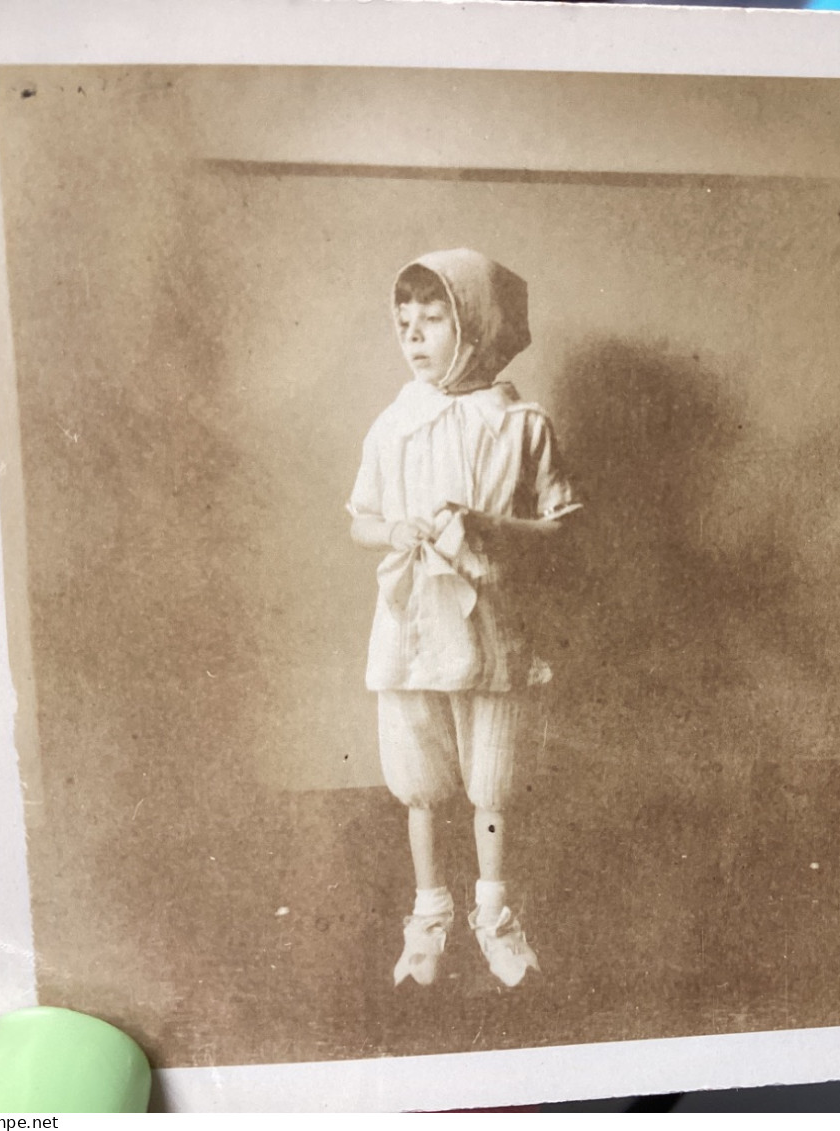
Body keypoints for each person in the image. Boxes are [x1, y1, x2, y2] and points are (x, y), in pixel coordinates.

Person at [346, 249, 578, 990]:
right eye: (403, 323)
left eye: (433, 321)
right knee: (419, 774)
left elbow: (563, 530)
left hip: (489, 623)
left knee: (491, 780)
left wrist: (490, 528)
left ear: (476, 325)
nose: (413, 338)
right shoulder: (394, 424)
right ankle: (429, 910)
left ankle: (495, 912)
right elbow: (362, 521)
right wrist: (399, 531)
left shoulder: (520, 425)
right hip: (415, 622)